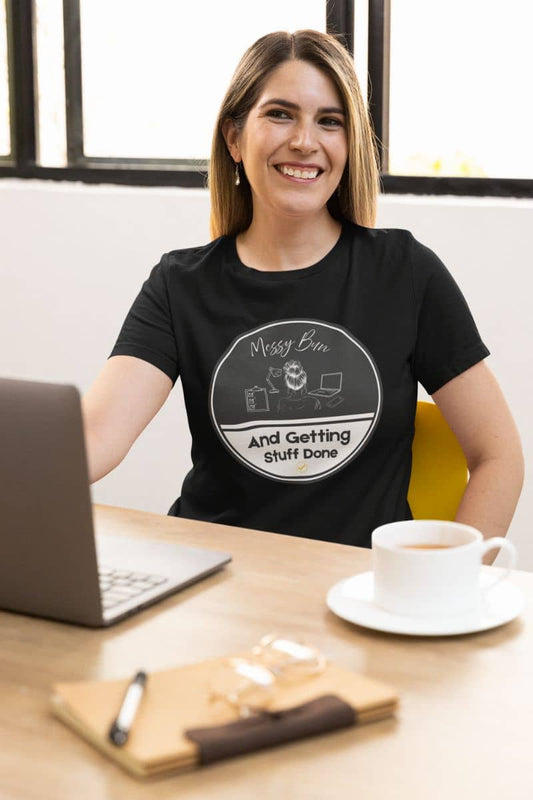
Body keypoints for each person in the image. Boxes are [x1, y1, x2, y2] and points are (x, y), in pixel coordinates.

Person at [82, 29, 524, 549]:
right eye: (280, 114)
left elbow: (498, 457)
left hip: (357, 592)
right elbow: (93, 439)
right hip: (212, 584)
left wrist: (448, 586)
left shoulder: (405, 273)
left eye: (329, 121)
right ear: (233, 139)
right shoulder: (180, 284)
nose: (305, 141)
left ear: (348, 144)